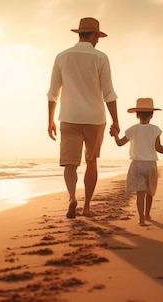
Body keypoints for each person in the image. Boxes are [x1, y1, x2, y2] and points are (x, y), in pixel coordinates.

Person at [47, 17, 119, 219]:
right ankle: (87, 206)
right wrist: (116, 121)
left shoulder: (62, 56)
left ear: (79, 34)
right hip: (95, 118)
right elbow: (109, 93)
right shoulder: (101, 57)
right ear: (94, 35)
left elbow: (53, 92)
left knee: (70, 163)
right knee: (91, 161)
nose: (98, 41)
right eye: (98, 36)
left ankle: (72, 198)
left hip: (69, 117)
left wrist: (50, 120)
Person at [110, 98, 163, 226]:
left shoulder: (133, 129)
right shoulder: (155, 129)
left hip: (137, 164)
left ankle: (141, 218)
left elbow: (119, 143)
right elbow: (157, 147)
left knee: (140, 193)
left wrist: (115, 133)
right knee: (150, 192)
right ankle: (148, 214)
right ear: (152, 115)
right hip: (151, 164)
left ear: (137, 115)